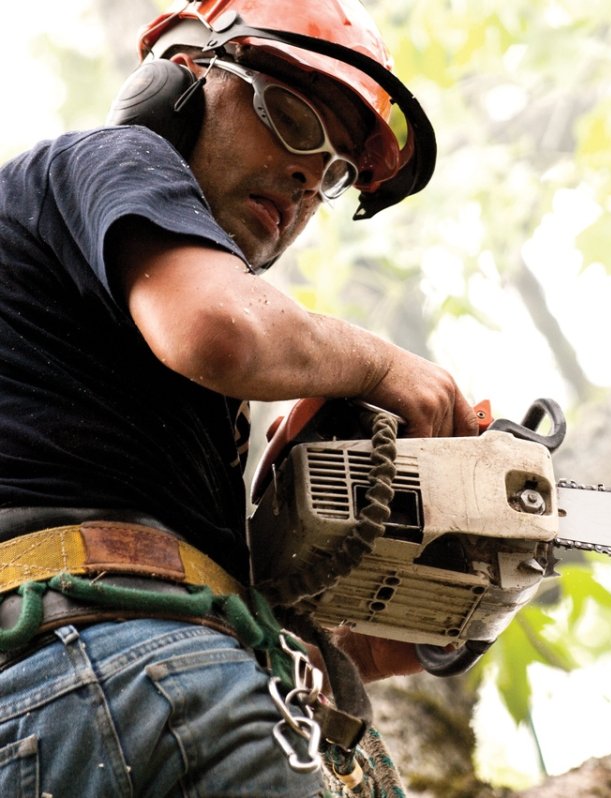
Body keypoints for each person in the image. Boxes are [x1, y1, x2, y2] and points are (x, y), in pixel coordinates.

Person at [0, 0, 474, 794]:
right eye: (289, 115)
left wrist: (426, 610)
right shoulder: (118, 156)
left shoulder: (131, 397)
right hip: (128, 675)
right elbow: (219, 329)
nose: (304, 176)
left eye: (332, 173)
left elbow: (302, 636)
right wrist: (383, 365)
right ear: (177, 84)